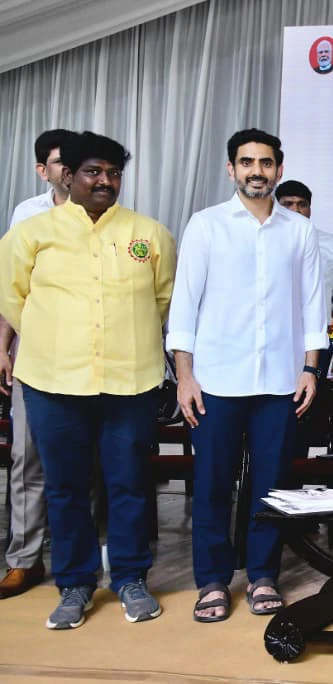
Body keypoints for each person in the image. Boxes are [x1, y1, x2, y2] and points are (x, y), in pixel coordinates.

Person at [0, 131, 175, 628]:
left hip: (132, 380)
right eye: (93, 172)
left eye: (113, 173)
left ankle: (130, 578)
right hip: (54, 381)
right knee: (65, 487)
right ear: (68, 176)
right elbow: (11, 297)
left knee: (129, 483)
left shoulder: (150, 234)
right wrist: (54, 336)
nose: (105, 181)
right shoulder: (33, 233)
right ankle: (75, 584)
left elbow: (163, 301)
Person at [168, 128, 327, 622]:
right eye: (246, 162)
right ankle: (212, 581)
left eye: (264, 163)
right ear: (231, 169)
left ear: (279, 169)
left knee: (271, 485)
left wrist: (309, 368)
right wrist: (185, 377)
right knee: (213, 483)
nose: (256, 171)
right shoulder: (206, 225)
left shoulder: (299, 231)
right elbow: (184, 304)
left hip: (280, 382)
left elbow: (313, 306)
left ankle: (263, 576)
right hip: (214, 381)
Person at [0, 127, 75, 599]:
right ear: (41, 170)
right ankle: (23, 559)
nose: (69, 172)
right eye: (60, 163)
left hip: (87, 356)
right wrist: (4, 348)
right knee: (25, 455)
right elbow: (12, 288)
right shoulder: (26, 214)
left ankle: (78, 559)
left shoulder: (100, 212)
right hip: (33, 355)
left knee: (80, 461)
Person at [276, 180, 333, 378]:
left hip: (318, 339)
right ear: (276, 206)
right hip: (274, 340)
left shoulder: (329, 243)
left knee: (315, 405)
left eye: (302, 204)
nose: (296, 210)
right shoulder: (262, 242)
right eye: (288, 204)